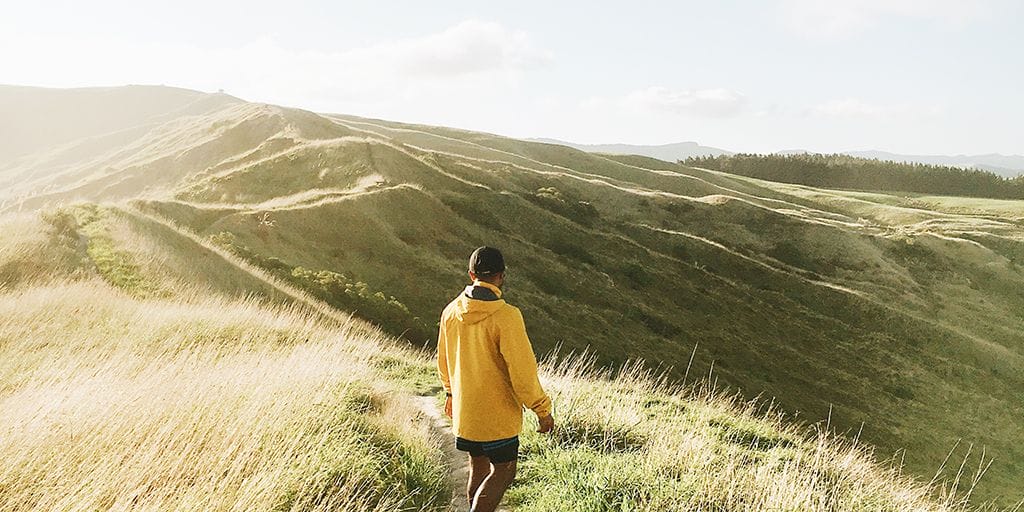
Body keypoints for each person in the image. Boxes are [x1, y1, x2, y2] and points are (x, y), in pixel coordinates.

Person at [436, 246, 555, 512]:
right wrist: (542, 410)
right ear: (501, 276)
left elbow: (443, 361)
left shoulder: (451, 312)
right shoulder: (507, 316)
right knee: (504, 471)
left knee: (477, 467)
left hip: (466, 412)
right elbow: (523, 372)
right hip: (497, 416)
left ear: (471, 274)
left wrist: (450, 394)